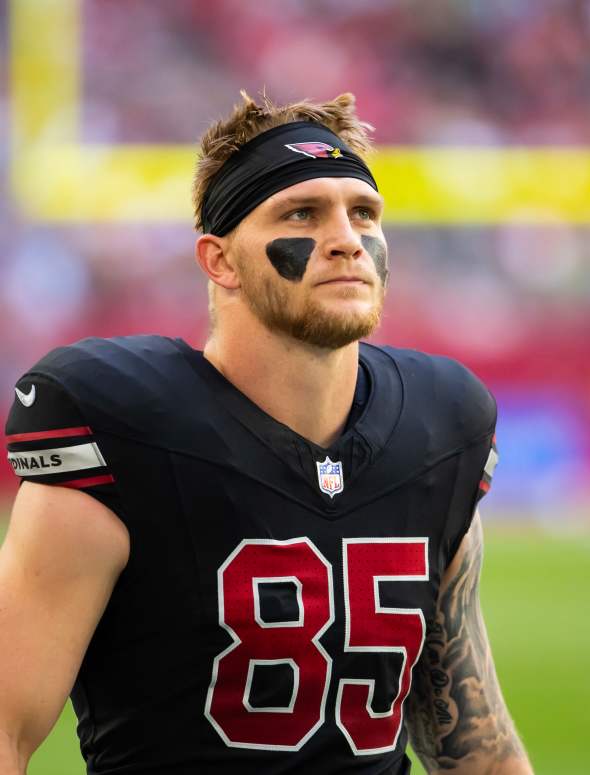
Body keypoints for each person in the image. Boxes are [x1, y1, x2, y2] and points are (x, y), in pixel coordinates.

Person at [0, 91, 533, 775]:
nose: (347, 238)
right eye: (302, 213)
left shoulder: (440, 423)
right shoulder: (123, 421)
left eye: (363, 212)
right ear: (220, 260)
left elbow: (474, 738)